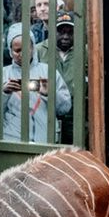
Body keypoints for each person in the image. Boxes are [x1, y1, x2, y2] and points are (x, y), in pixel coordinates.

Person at [2, 23, 72, 143]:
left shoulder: (48, 71)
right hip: (12, 140)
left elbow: (65, 107)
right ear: (10, 51)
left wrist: (50, 93)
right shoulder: (3, 74)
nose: (22, 54)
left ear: (33, 47)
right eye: (17, 50)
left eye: (26, 48)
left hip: (45, 140)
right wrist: (4, 93)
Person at [34, 11, 81, 145]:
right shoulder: (39, 51)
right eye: (61, 32)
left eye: (70, 32)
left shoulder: (85, 52)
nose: (65, 36)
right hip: (46, 112)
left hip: (75, 117)